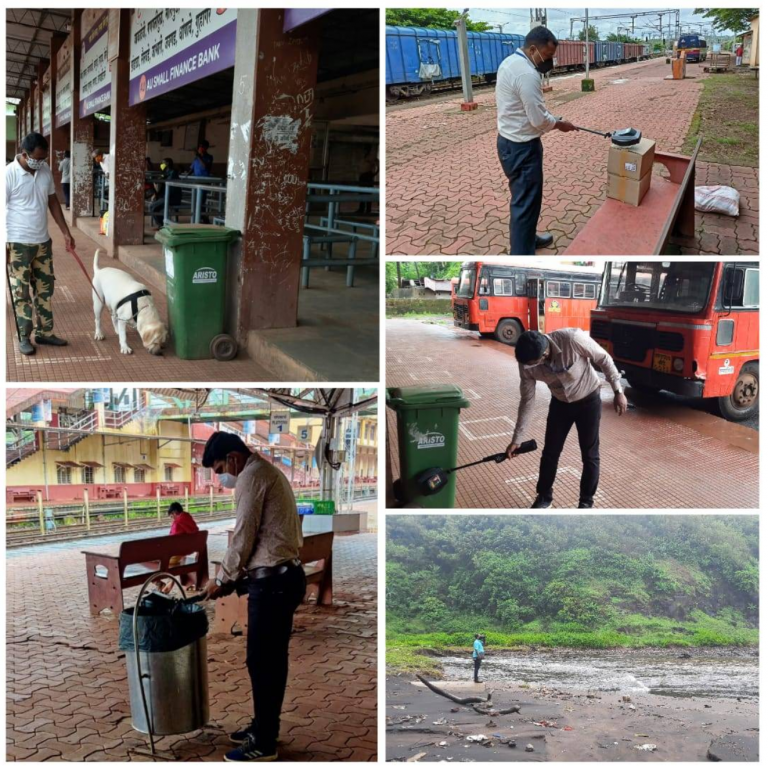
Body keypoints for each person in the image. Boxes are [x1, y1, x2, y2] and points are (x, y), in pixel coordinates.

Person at [201, 432, 305, 763]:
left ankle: (264, 742)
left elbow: (244, 533)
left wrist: (222, 578)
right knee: (267, 661)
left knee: (263, 663)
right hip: (279, 578)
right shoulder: (265, 472)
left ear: (233, 459)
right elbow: (262, 535)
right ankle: (263, 726)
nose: (221, 477)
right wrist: (237, 579)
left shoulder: (251, 476)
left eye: (219, 469)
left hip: (274, 585)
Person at [506, 329, 628, 509]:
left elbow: (603, 359)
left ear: (544, 354)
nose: (529, 368)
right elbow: (527, 400)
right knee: (550, 452)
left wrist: (618, 391)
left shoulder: (571, 340)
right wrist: (517, 439)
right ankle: (544, 496)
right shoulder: (526, 363)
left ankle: (586, 501)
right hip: (560, 404)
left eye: (533, 365)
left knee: (590, 454)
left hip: (589, 400)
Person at [496, 27, 577, 255]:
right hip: (522, 148)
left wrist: (553, 119)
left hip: (508, 142)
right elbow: (538, 119)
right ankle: (522, 253)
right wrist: (559, 123)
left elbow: (530, 110)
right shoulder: (527, 74)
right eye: (548, 55)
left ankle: (528, 237)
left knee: (525, 202)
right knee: (525, 204)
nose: (549, 60)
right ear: (533, 49)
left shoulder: (510, 62)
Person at [6, 132, 75, 356]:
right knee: (21, 293)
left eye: (43, 159)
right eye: (37, 159)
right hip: (17, 244)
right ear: (24, 154)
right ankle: (24, 337)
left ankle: (44, 332)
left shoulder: (44, 171)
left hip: (43, 243)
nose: (40, 163)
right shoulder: (8, 174)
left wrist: (65, 232)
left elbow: (52, 201)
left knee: (45, 290)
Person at [160, 501, 201, 594]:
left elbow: (171, 541)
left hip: (177, 555)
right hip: (186, 552)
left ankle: (163, 584)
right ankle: (168, 584)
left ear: (174, 512)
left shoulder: (177, 523)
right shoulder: (189, 520)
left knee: (156, 562)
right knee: (177, 561)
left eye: (171, 516)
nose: (172, 519)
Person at [150, 158, 182, 229]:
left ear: (167, 163)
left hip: (172, 197)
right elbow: (161, 180)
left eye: (163, 163)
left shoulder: (173, 173)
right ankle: (161, 224)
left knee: (153, 207)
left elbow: (167, 182)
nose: (162, 164)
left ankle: (161, 225)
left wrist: (161, 179)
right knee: (153, 206)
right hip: (166, 196)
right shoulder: (166, 172)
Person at [190, 140, 213, 222]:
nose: (200, 148)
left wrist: (199, 157)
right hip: (196, 181)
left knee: (201, 200)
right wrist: (186, 175)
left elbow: (206, 167)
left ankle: (203, 217)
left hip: (204, 181)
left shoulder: (209, 157)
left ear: (206, 148)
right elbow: (192, 169)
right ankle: (199, 217)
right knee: (195, 200)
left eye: (202, 146)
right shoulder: (196, 158)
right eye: (199, 146)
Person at [356, 145, 378, 214]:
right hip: (362, 176)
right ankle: (361, 208)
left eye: (365, 150)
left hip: (368, 176)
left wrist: (374, 173)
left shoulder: (370, 157)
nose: (364, 151)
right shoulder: (363, 157)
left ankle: (368, 210)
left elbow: (377, 164)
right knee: (361, 192)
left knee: (368, 192)